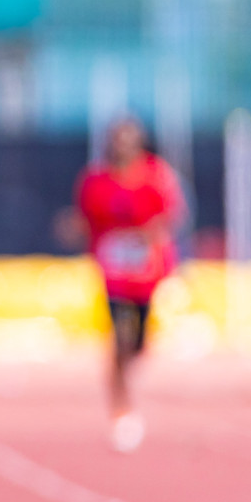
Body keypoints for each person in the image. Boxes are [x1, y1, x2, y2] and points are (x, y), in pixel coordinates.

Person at [71, 117, 182, 453]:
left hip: (146, 274)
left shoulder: (155, 176)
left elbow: (171, 216)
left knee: (139, 344)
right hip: (114, 275)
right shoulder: (95, 181)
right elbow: (85, 220)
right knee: (118, 339)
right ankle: (122, 409)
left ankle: (127, 363)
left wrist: (146, 235)